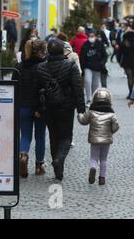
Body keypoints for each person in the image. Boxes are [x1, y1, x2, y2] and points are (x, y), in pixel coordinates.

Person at [36, 39, 85, 180]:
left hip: (49, 107)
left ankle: (58, 169)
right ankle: (59, 161)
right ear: (63, 51)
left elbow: (37, 89)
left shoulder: (41, 67)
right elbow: (77, 87)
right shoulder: (70, 66)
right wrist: (81, 108)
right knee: (66, 137)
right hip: (66, 107)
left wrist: (38, 107)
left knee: (53, 136)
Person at [13, 40, 47, 178]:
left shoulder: (18, 67)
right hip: (40, 107)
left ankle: (23, 155)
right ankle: (39, 166)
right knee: (40, 136)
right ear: (41, 51)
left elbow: (12, 87)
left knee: (25, 135)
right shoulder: (43, 67)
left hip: (23, 106)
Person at [77, 88, 119, 185]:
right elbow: (116, 126)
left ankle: (93, 168)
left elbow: (83, 121)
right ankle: (102, 178)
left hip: (94, 140)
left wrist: (79, 115)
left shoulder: (91, 112)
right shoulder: (111, 114)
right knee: (103, 159)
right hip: (106, 141)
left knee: (94, 158)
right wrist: (110, 132)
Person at [80, 32, 108, 104]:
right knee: (87, 81)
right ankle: (88, 99)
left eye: (92, 36)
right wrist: (82, 67)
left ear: (95, 36)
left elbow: (105, 55)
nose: (91, 37)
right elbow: (82, 56)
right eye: (89, 36)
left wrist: (102, 63)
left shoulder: (99, 44)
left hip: (97, 67)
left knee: (95, 84)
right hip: (87, 66)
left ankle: (93, 98)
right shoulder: (85, 44)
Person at [118, 28, 134, 98]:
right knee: (132, 76)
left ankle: (131, 92)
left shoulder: (124, 42)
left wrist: (119, 61)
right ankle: (132, 93)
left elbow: (120, 53)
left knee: (129, 77)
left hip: (126, 61)